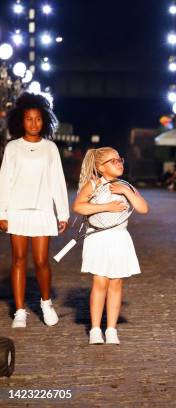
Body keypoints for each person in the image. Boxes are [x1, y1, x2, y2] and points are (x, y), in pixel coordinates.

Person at [0, 93, 68, 328]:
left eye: (38, 119)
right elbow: (4, 181)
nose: (33, 123)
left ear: (45, 120)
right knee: (18, 260)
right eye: (29, 119)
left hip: (42, 211)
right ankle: (19, 311)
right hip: (17, 210)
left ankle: (45, 303)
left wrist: (63, 214)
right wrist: (2, 213)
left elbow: (58, 181)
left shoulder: (50, 148)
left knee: (41, 261)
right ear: (21, 120)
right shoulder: (12, 147)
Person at [73, 147, 148, 345]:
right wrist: (105, 206)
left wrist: (125, 191)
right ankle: (95, 329)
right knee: (100, 283)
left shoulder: (126, 186)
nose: (119, 163)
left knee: (116, 284)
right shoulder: (94, 185)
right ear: (100, 167)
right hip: (98, 238)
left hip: (119, 238)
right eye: (112, 161)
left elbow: (143, 208)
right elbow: (79, 206)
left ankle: (112, 329)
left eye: (119, 159)